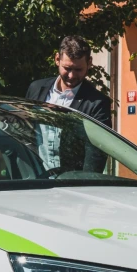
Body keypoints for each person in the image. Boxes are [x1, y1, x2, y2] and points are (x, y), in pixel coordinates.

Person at [25, 36, 112, 171]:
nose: (71, 76)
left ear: (89, 63)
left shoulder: (97, 103)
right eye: (67, 68)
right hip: (35, 178)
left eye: (78, 70)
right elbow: (25, 131)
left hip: (71, 185)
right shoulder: (36, 89)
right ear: (57, 59)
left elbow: (96, 154)